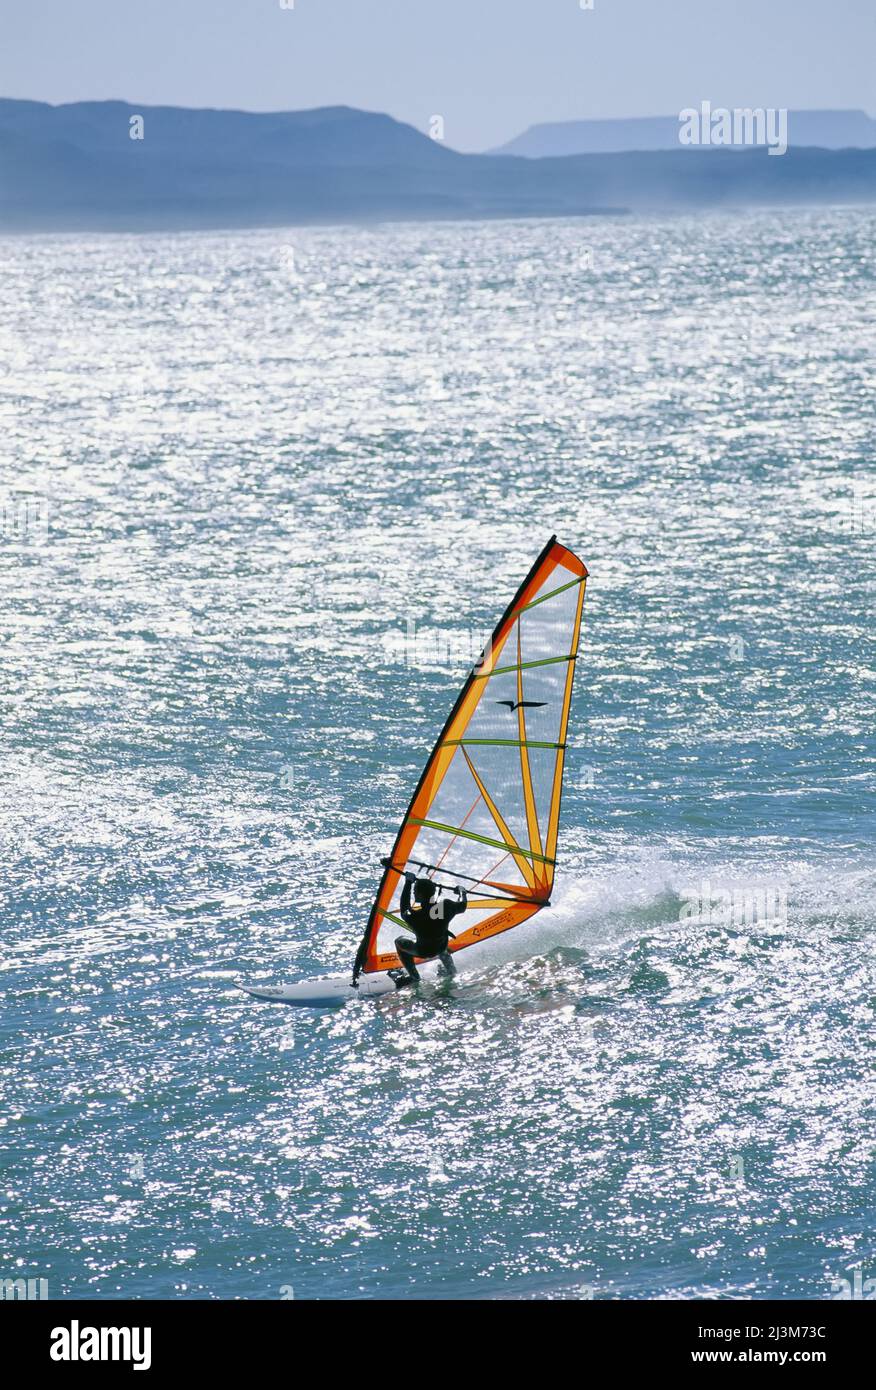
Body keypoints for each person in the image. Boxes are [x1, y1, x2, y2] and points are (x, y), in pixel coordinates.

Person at [382, 863, 466, 988]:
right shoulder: (447, 906)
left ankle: (414, 977)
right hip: (441, 946)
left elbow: (404, 907)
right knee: (440, 941)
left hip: (422, 951)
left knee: (399, 941)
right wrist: (461, 891)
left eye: (415, 891)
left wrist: (408, 883)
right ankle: (451, 971)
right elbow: (463, 905)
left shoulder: (413, 915)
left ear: (420, 895)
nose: (414, 893)